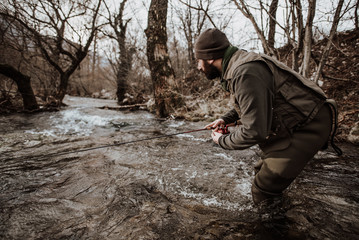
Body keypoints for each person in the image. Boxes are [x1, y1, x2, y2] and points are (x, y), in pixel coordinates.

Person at [194, 28, 342, 204]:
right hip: (297, 122)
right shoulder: (239, 65)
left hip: (308, 124)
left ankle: (275, 229)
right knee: (261, 173)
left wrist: (221, 141)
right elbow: (255, 102)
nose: (198, 66)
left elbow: (255, 132)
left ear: (210, 58)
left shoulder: (245, 71)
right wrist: (225, 120)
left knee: (263, 188)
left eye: (199, 60)